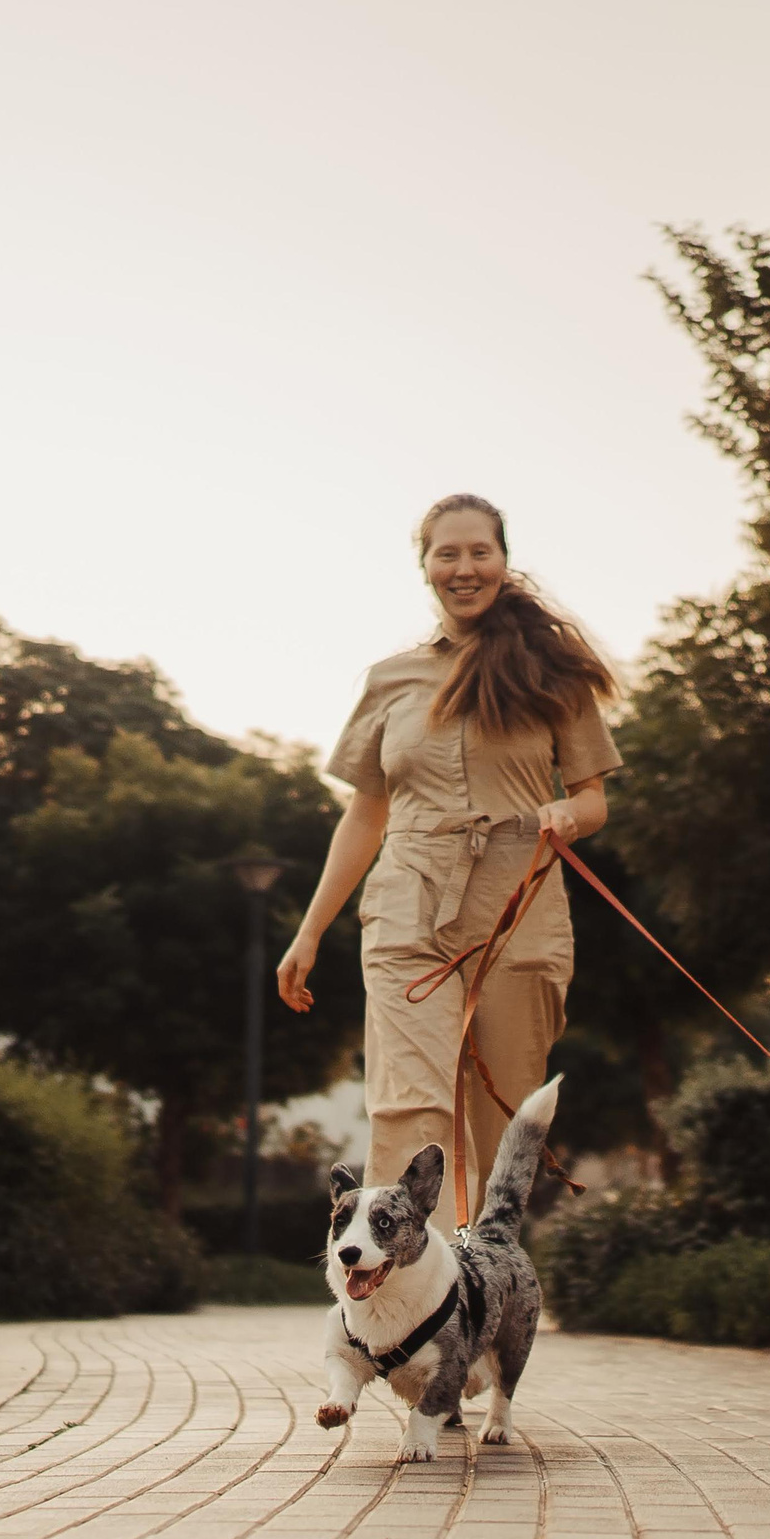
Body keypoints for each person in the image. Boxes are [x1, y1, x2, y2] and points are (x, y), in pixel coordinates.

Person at [276, 493, 620, 1211]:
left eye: (479, 551)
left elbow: (594, 797)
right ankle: (403, 1293)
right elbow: (366, 810)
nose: (465, 567)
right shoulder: (390, 679)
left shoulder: (552, 671)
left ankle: (482, 1286)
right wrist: (310, 930)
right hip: (407, 903)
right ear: (425, 565)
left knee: (500, 1117)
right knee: (412, 1106)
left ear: (502, 559)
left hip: (519, 905)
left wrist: (568, 813)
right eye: (447, 553)